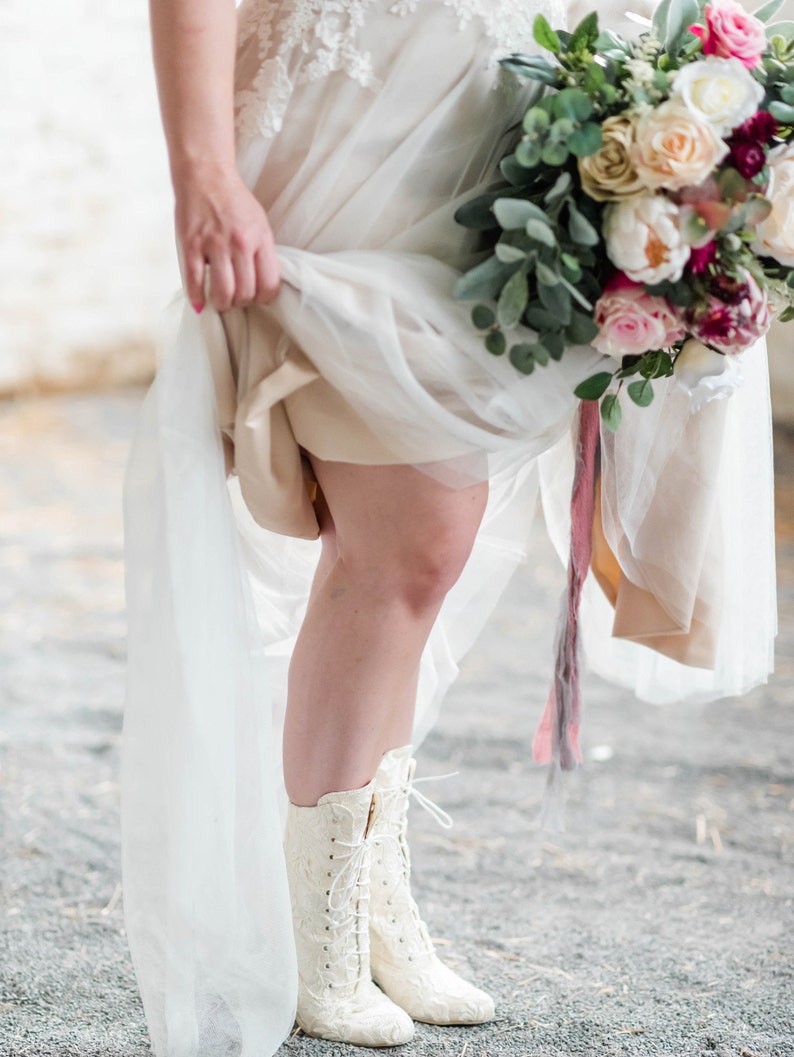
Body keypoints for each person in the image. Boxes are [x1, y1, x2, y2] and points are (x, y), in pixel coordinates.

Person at [121, 0, 777, 1054]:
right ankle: (316, 925)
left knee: (432, 546)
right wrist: (202, 169)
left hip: (481, 145)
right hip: (350, 142)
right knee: (408, 540)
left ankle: (365, 894)